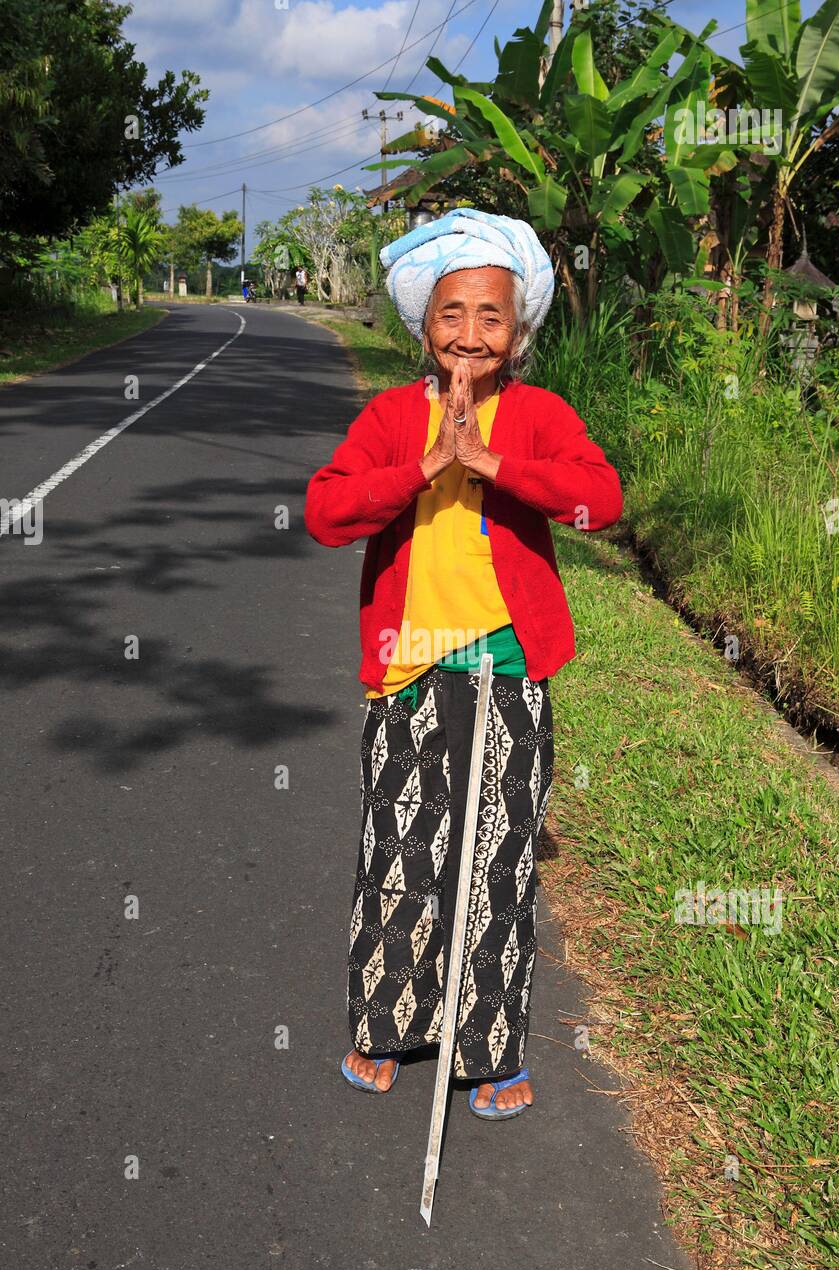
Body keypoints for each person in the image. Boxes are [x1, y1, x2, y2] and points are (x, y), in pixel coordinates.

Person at [304, 208, 623, 1118]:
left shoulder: (541, 414)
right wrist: (425, 465)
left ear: (517, 333)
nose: (471, 335)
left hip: (510, 671)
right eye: (452, 313)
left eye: (491, 316)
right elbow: (327, 513)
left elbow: (601, 500)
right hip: (407, 670)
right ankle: (386, 1029)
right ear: (425, 326)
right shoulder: (390, 416)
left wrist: (494, 463)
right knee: (400, 852)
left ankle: (490, 1050)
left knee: (499, 861)